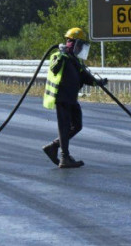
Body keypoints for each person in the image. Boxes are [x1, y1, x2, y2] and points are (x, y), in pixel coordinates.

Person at [42, 27, 108, 168]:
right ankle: (64, 157)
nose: (80, 48)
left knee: (77, 125)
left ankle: (54, 147)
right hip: (62, 98)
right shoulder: (59, 56)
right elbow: (54, 68)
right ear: (73, 43)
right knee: (65, 126)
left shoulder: (74, 60)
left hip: (72, 99)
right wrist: (61, 53)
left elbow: (84, 77)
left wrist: (98, 82)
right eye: (79, 45)